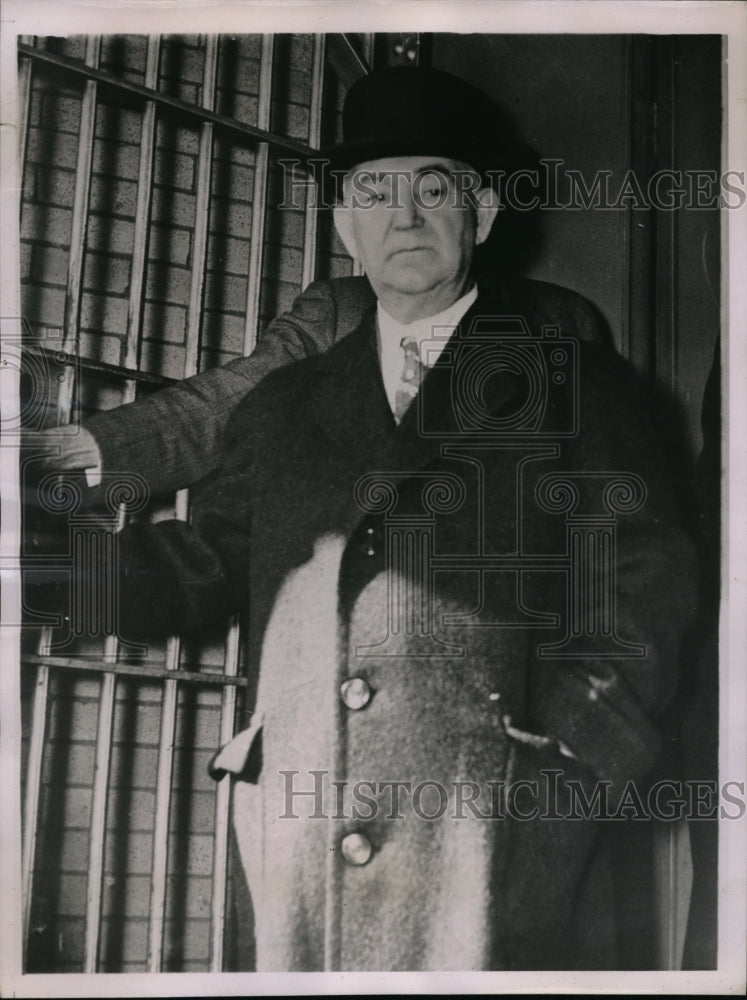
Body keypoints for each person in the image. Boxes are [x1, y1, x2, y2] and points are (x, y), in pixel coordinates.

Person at [30, 66, 698, 971]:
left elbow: (641, 577)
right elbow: (199, 564)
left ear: (484, 214)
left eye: (435, 188)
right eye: (373, 192)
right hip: (298, 846)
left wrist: (574, 766)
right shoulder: (286, 403)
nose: (404, 215)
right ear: (344, 224)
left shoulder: (575, 380)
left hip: (497, 833)